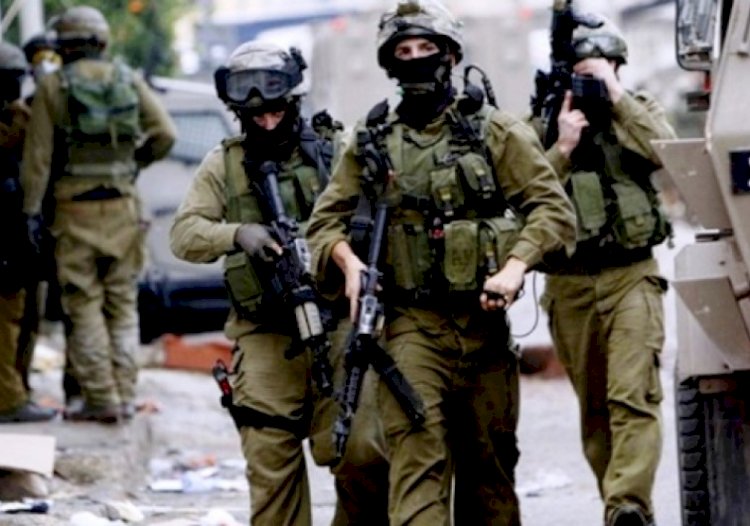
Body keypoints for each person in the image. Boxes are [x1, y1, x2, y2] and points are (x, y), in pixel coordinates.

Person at [305, 1, 577, 524]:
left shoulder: (493, 131)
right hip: (410, 328)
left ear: (450, 55)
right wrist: (349, 264)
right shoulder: (372, 138)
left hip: (484, 328)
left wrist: (515, 266)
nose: (415, 59)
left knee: (489, 479)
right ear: (389, 62)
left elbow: (552, 209)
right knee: (417, 468)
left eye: (426, 48)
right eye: (403, 51)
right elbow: (324, 222)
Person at [169, 41, 389, 525]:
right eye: (256, 116)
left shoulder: (335, 151)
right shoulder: (224, 164)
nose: (268, 124)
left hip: (339, 326)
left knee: (363, 455)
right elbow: (184, 235)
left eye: (277, 112)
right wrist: (238, 234)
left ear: (293, 102)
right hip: (265, 334)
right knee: (271, 467)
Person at [532, 16, 676, 526]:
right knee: (595, 411)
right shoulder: (543, 123)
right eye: (582, 72)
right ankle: (625, 510)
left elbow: (668, 153)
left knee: (633, 396)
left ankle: (627, 504)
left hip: (631, 275)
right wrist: (562, 147)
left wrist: (616, 96)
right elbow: (523, 194)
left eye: (600, 69)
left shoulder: (637, 111)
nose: (590, 80)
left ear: (618, 67)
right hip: (569, 285)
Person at [21, 5, 176, 424]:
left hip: (74, 210)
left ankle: (100, 398)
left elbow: (38, 160)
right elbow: (165, 134)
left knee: (83, 304)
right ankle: (124, 395)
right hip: (124, 206)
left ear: (65, 45)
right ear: (102, 40)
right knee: (123, 305)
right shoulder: (127, 79)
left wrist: (31, 213)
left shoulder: (54, 86)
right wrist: (132, 165)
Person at [0, 41, 58, 424]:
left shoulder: (18, 115)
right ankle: (9, 399)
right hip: (7, 235)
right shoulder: (17, 122)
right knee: (8, 322)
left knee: (21, 318)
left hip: (15, 234)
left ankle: (16, 390)